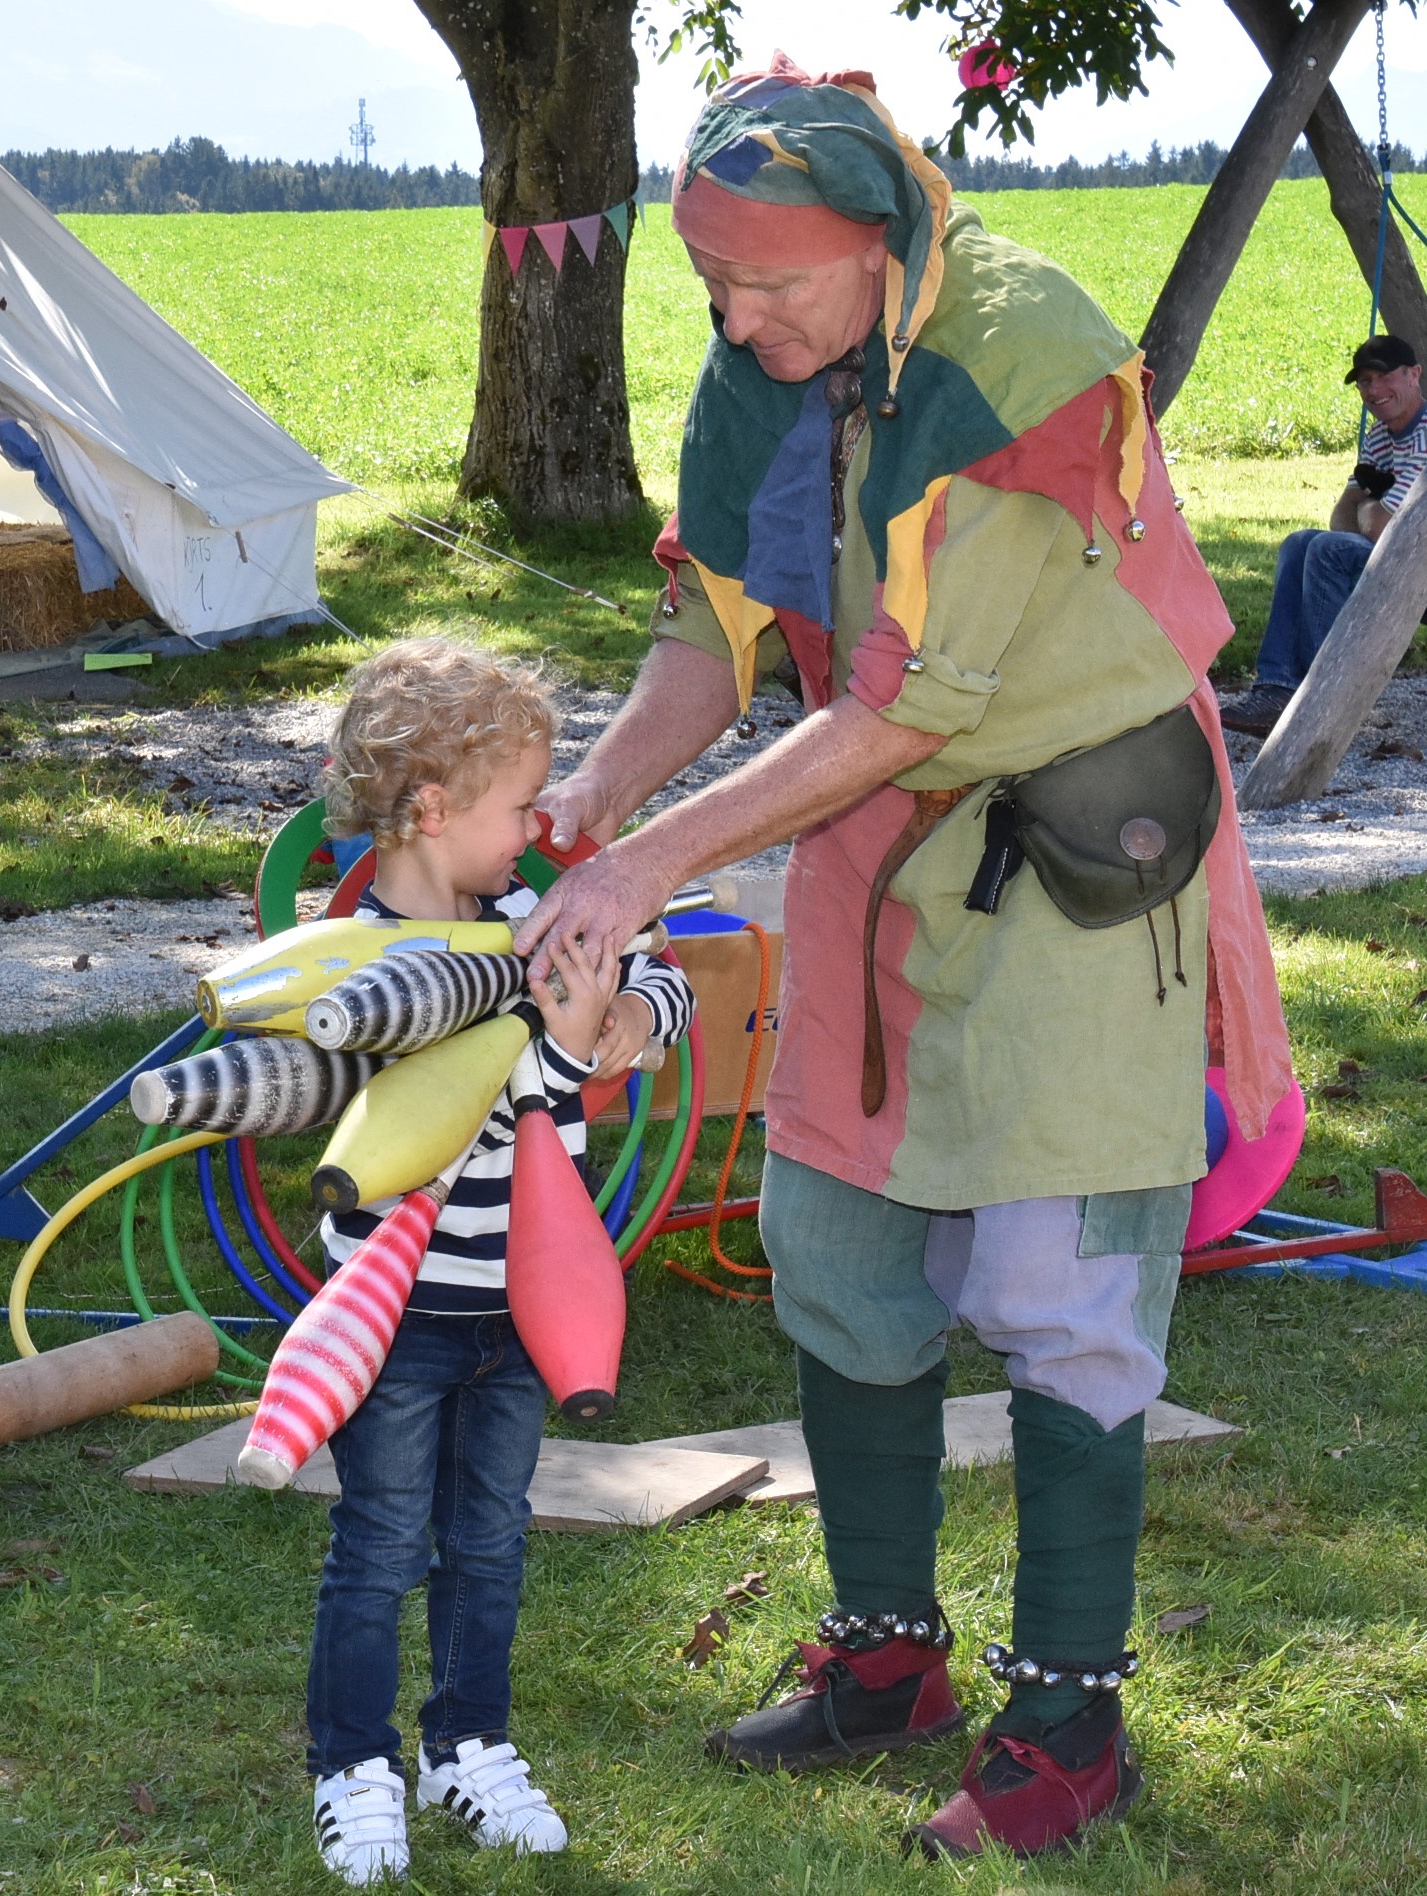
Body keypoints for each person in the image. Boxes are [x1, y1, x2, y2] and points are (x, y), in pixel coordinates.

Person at [514, 55, 1292, 1862]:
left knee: (1056, 1290)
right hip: (872, 844)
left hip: (1077, 856)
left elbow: (907, 699)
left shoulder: (1018, 360)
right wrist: (604, 786)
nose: (735, 319)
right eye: (710, 284)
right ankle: (885, 1664)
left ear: (874, 244)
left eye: (764, 284)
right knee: (839, 1247)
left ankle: (1069, 1730)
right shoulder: (768, 356)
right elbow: (714, 620)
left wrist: (653, 861)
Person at [304, 637, 693, 1887]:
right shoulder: (356, 965)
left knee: (488, 1539)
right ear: (431, 809)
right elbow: (464, 1097)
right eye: (521, 805)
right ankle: (352, 1765)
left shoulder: (534, 916)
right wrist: (564, 1042)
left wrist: (628, 1014)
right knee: (380, 1542)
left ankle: (467, 1745)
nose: (538, 829)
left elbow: (665, 972)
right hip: (396, 1313)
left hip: (524, 1308)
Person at [1221, 334, 1427, 736]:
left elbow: (1379, 528)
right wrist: (1375, 505)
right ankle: (1277, 688)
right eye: (1364, 381)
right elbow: (1340, 518)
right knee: (1301, 542)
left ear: (1414, 375)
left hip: (1419, 569)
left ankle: (1325, 697)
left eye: (1384, 376)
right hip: (1403, 558)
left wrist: (1368, 501)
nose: (1374, 391)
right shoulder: (1380, 436)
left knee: (1329, 550)